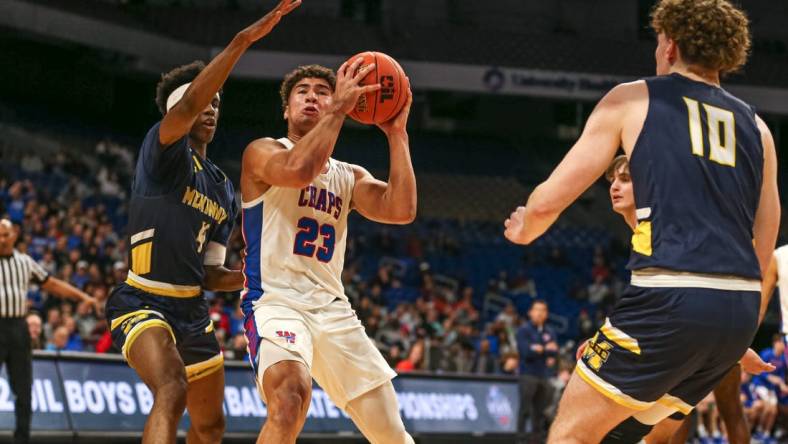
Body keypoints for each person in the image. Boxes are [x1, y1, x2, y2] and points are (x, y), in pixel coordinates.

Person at [503, 0, 780, 441]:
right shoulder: (759, 129)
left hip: (671, 299)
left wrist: (526, 225)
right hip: (737, 311)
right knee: (630, 436)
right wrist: (737, 316)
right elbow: (765, 234)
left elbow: (551, 198)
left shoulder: (634, 97)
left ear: (669, 45)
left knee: (571, 435)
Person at [103, 2, 301, 443]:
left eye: (216, 103)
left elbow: (211, 273)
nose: (210, 108)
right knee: (171, 388)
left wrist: (259, 272)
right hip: (143, 299)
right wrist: (242, 41)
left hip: (192, 308)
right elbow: (191, 99)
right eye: (201, 103)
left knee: (211, 427)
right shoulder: (163, 153)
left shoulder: (223, 189)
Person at [240, 61, 416, 443]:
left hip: (332, 308)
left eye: (323, 92)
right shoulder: (263, 152)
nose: (312, 97)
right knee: (289, 400)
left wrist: (397, 134)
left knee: (392, 434)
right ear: (286, 110)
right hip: (275, 301)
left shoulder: (348, 175)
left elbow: (401, 209)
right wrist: (337, 108)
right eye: (302, 91)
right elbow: (300, 170)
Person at [602, 155, 762, 444]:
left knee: (627, 424)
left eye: (625, 180)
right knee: (702, 415)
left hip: (694, 333)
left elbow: (678, 292)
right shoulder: (643, 227)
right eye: (612, 180)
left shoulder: (662, 225)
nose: (615, 186)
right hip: (720, 330)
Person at [0, 219, 95, 444]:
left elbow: (52, 284)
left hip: (17, 327)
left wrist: (82, 297)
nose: (2, 239)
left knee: (24, 389)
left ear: (14, 235)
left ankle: (22, 439)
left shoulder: (25, 262)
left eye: (5, 234)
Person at [516, 299, 558, 441]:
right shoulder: (524, 330)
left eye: (543, 310)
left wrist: (539, 349)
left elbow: (554, 352)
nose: (540, 313)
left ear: (546, 314)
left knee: (540, 412)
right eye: (537, 309)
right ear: (530, 312)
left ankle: (537, 439)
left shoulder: (549, 331)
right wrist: (545, 349)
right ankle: (521, 439)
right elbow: (525, 352)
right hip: (528, 375)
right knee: (525, 410)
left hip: (543, 375)